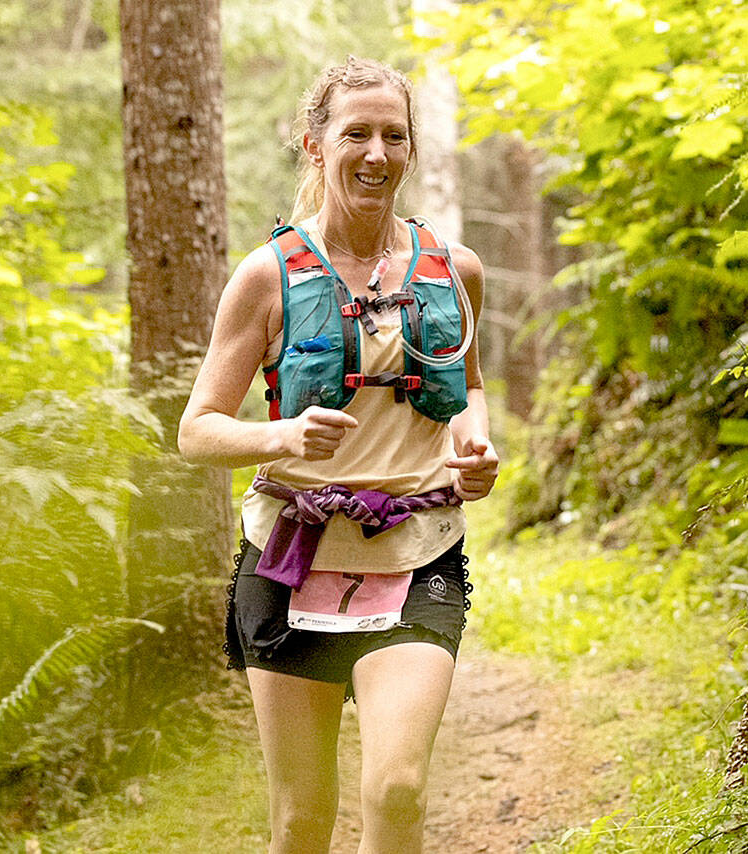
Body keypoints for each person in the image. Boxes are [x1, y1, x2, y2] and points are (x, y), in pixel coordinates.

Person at [177, 56, 498, 854]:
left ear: (411, 149)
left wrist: (474, 444)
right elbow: (197, 429)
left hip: (418, 551)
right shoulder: (266, 276)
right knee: (301, 819)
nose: (376, 153)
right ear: (317, 146)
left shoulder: (454, 270)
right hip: (289, 558)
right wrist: (279, 435)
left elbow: (471, 386)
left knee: (396, 791)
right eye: (356, 133)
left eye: (394, 135)